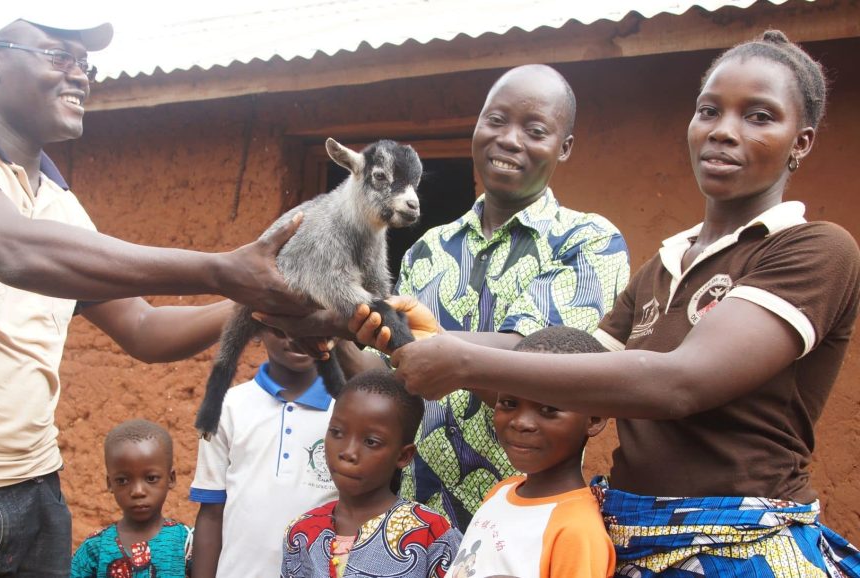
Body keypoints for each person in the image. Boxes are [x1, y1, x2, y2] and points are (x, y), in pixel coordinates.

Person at [366, 31, 860, 577]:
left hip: (738, 547)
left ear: (802, 142)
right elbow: (563, 375)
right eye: (709, 110)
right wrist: (429, 336)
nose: (724, 131)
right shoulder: (662, 268)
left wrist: (460, 360)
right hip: (629, 538)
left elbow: (681, 383)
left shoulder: (813, 248)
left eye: (760, 116)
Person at [0, 11, 311, 577]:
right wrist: (220, 269)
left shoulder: (59, 205)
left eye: (85, 63)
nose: (80, 76)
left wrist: (254, 308)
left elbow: (142, 329)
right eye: (58, 56)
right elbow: (13, 250)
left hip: (33, 493)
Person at [260, 64, 630, 532]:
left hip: (527, 523)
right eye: (495, 120)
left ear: (565, 147)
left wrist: (434, 342)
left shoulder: (588, 241)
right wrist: (336, 336)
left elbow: (544, 364)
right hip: (421, 528)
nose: (510, 139)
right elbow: (396, 377)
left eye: (534, 130)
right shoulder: (427, 249)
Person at [446, 326, 614, 578]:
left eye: (548, 409)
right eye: (509, 403)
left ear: (594, 418)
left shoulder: (577, 529)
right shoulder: (501, 492)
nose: (521, 422)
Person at [281, 369, 462, 578]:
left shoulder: (431, 533)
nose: (348, 452)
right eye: (337, 433)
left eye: (371, 442)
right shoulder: (301, 532)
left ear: (403, 456)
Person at [189, 331, 338, 578]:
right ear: (256, 330)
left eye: (308, 324)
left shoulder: (345, 411)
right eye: (282, 327)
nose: (298, 336)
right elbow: (211, 513)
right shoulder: (226, 407)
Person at [72, 420, 191, 578]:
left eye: (151, 478)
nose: (138, 491)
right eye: (123, 481)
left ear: (171, 479)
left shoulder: (186, 543)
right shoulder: (95, 548)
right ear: (110, 483)